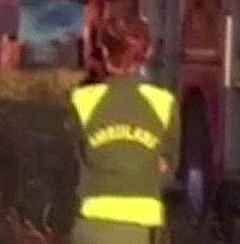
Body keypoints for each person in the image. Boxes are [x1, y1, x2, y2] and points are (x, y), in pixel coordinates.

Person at [68, 15, 178, 244]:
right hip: (144, 229)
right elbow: (167, 171)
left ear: (105, 52)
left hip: (92, 226)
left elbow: (78, 157)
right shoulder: (164, 103)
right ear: (147, 55)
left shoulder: (82, 100)